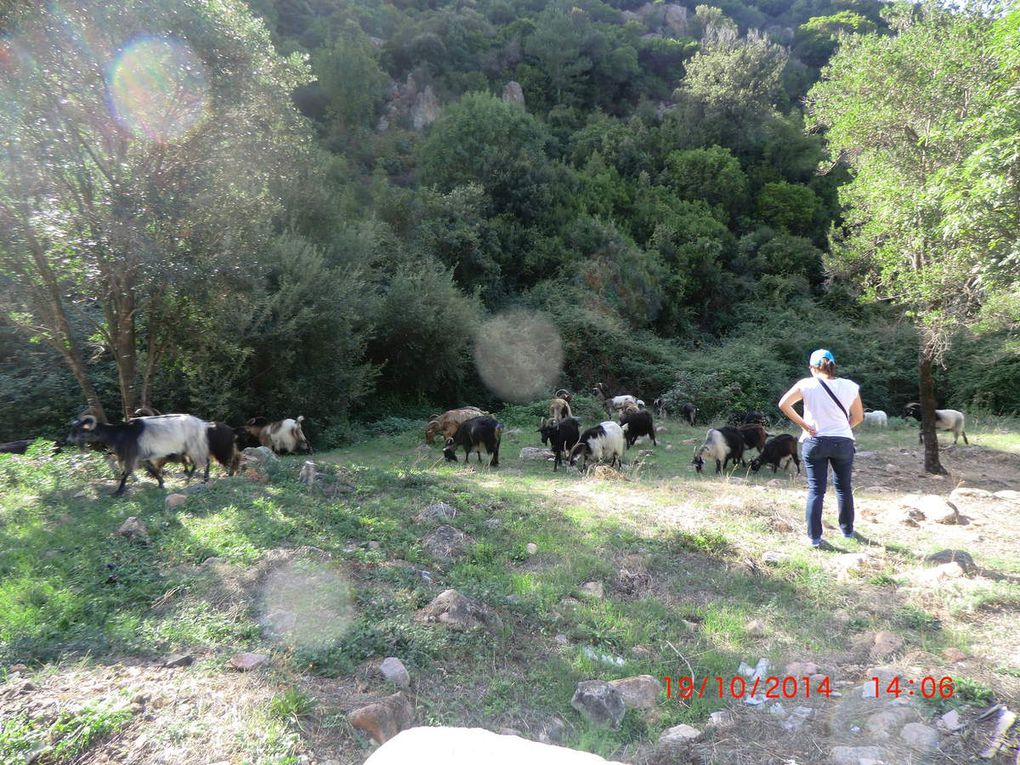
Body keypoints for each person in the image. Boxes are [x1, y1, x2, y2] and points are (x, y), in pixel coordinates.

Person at [778, 349, 864, 547]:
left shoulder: (806, 384)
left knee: (816, 490)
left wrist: (804, 425)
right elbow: (859, 417)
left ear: (812, 367)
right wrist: (842, 428)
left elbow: (784, 404)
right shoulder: (850, 386)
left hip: (815, 441)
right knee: (844, 488)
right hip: (843, 442)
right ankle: (847, 531)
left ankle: (814, 538)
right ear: (833, 366)